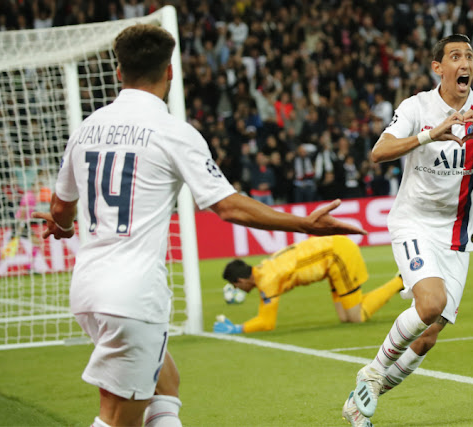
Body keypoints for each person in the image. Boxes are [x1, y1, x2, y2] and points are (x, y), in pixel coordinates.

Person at [31, 24, 365, 427]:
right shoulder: (172, 131)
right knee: (118, 417)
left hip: (87, 289)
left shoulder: (86, 128)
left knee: (165, 385)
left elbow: (60, 208)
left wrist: (65, 227)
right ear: (170, 71)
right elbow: (228, 207)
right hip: (132, 294)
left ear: (119, 72)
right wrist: (304, 224)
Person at [341, 34, 473, 427]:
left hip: (457, 234)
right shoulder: (417, 106)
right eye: (454, 56)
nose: (464, 62)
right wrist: (431, 133)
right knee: (429, 303)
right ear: (438, 68)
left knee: (428, 335)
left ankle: (360, 400)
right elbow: (378, 153)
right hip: (413, 221)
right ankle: (373, 371)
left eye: (468, 56)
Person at [213, 236, 403, 334]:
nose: (239, 290)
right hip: (332, 257)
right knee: (345, 318)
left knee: (357, 317)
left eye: (236, 286)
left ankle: (401, 281)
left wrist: (238, 328)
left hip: (339, 255)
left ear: (241, 281)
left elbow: (267, 323)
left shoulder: (268, 279)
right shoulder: (263, 269)